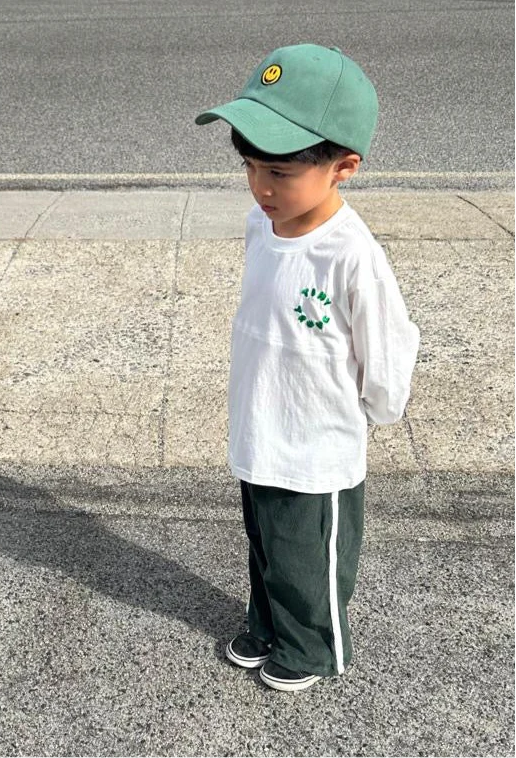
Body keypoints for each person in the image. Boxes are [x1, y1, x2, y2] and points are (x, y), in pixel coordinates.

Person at [195, 43, 420, 692]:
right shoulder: (261, 226)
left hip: (317, 443)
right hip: (261, 426)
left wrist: (378, 409)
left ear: (343, 166)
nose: (263, 187)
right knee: (266, 543)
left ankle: (313, 646)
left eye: (281, 173)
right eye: (251, 167)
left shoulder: (351, 256)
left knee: (309, 556)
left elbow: (386, 344)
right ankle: (267, 625)